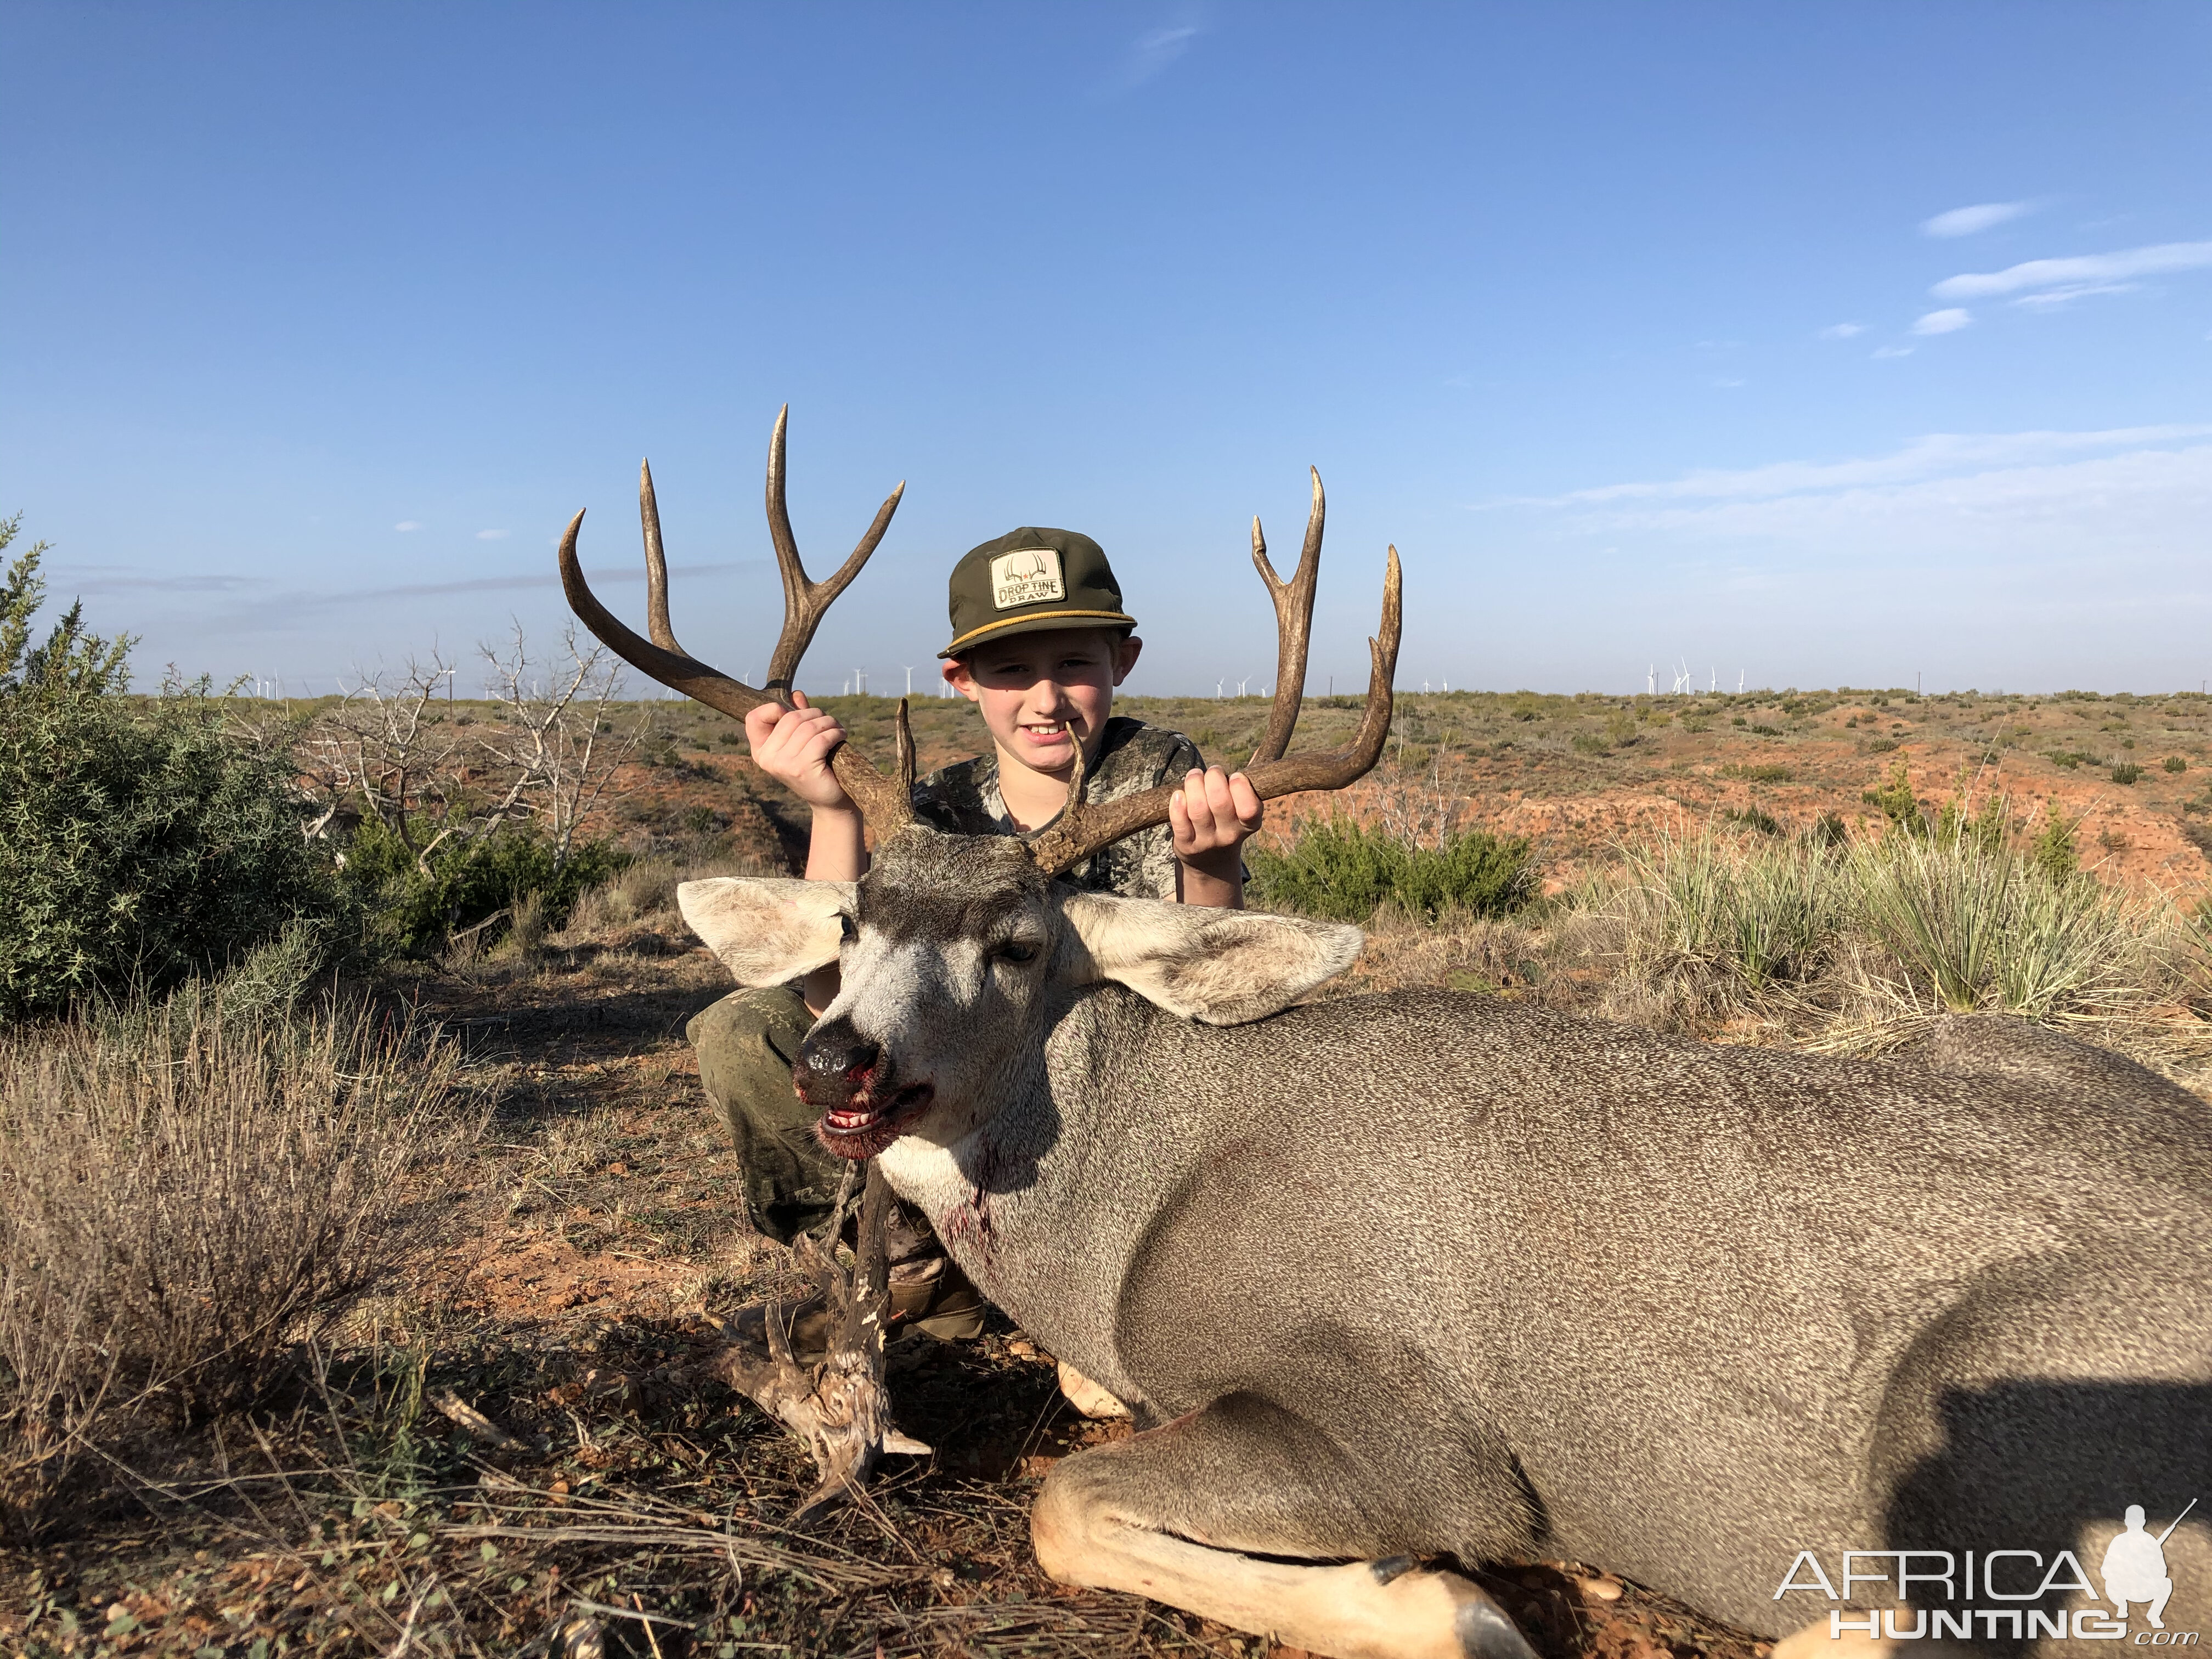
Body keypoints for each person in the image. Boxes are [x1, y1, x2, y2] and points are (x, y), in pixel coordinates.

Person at [690, 526, 1263, 1342]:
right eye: (1010, 671)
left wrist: (1212, 862)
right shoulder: (931, 812)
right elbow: (834, 991)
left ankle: (1128, 1291)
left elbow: (1208, 1013)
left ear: (1122, 664)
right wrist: (831, 806)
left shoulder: (1164, 781)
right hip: (953, 1108)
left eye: (1074, 663)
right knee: (751, 1032)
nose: (1045, 698)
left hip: (1109, 1136)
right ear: (961, 680)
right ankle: (914, 1266)